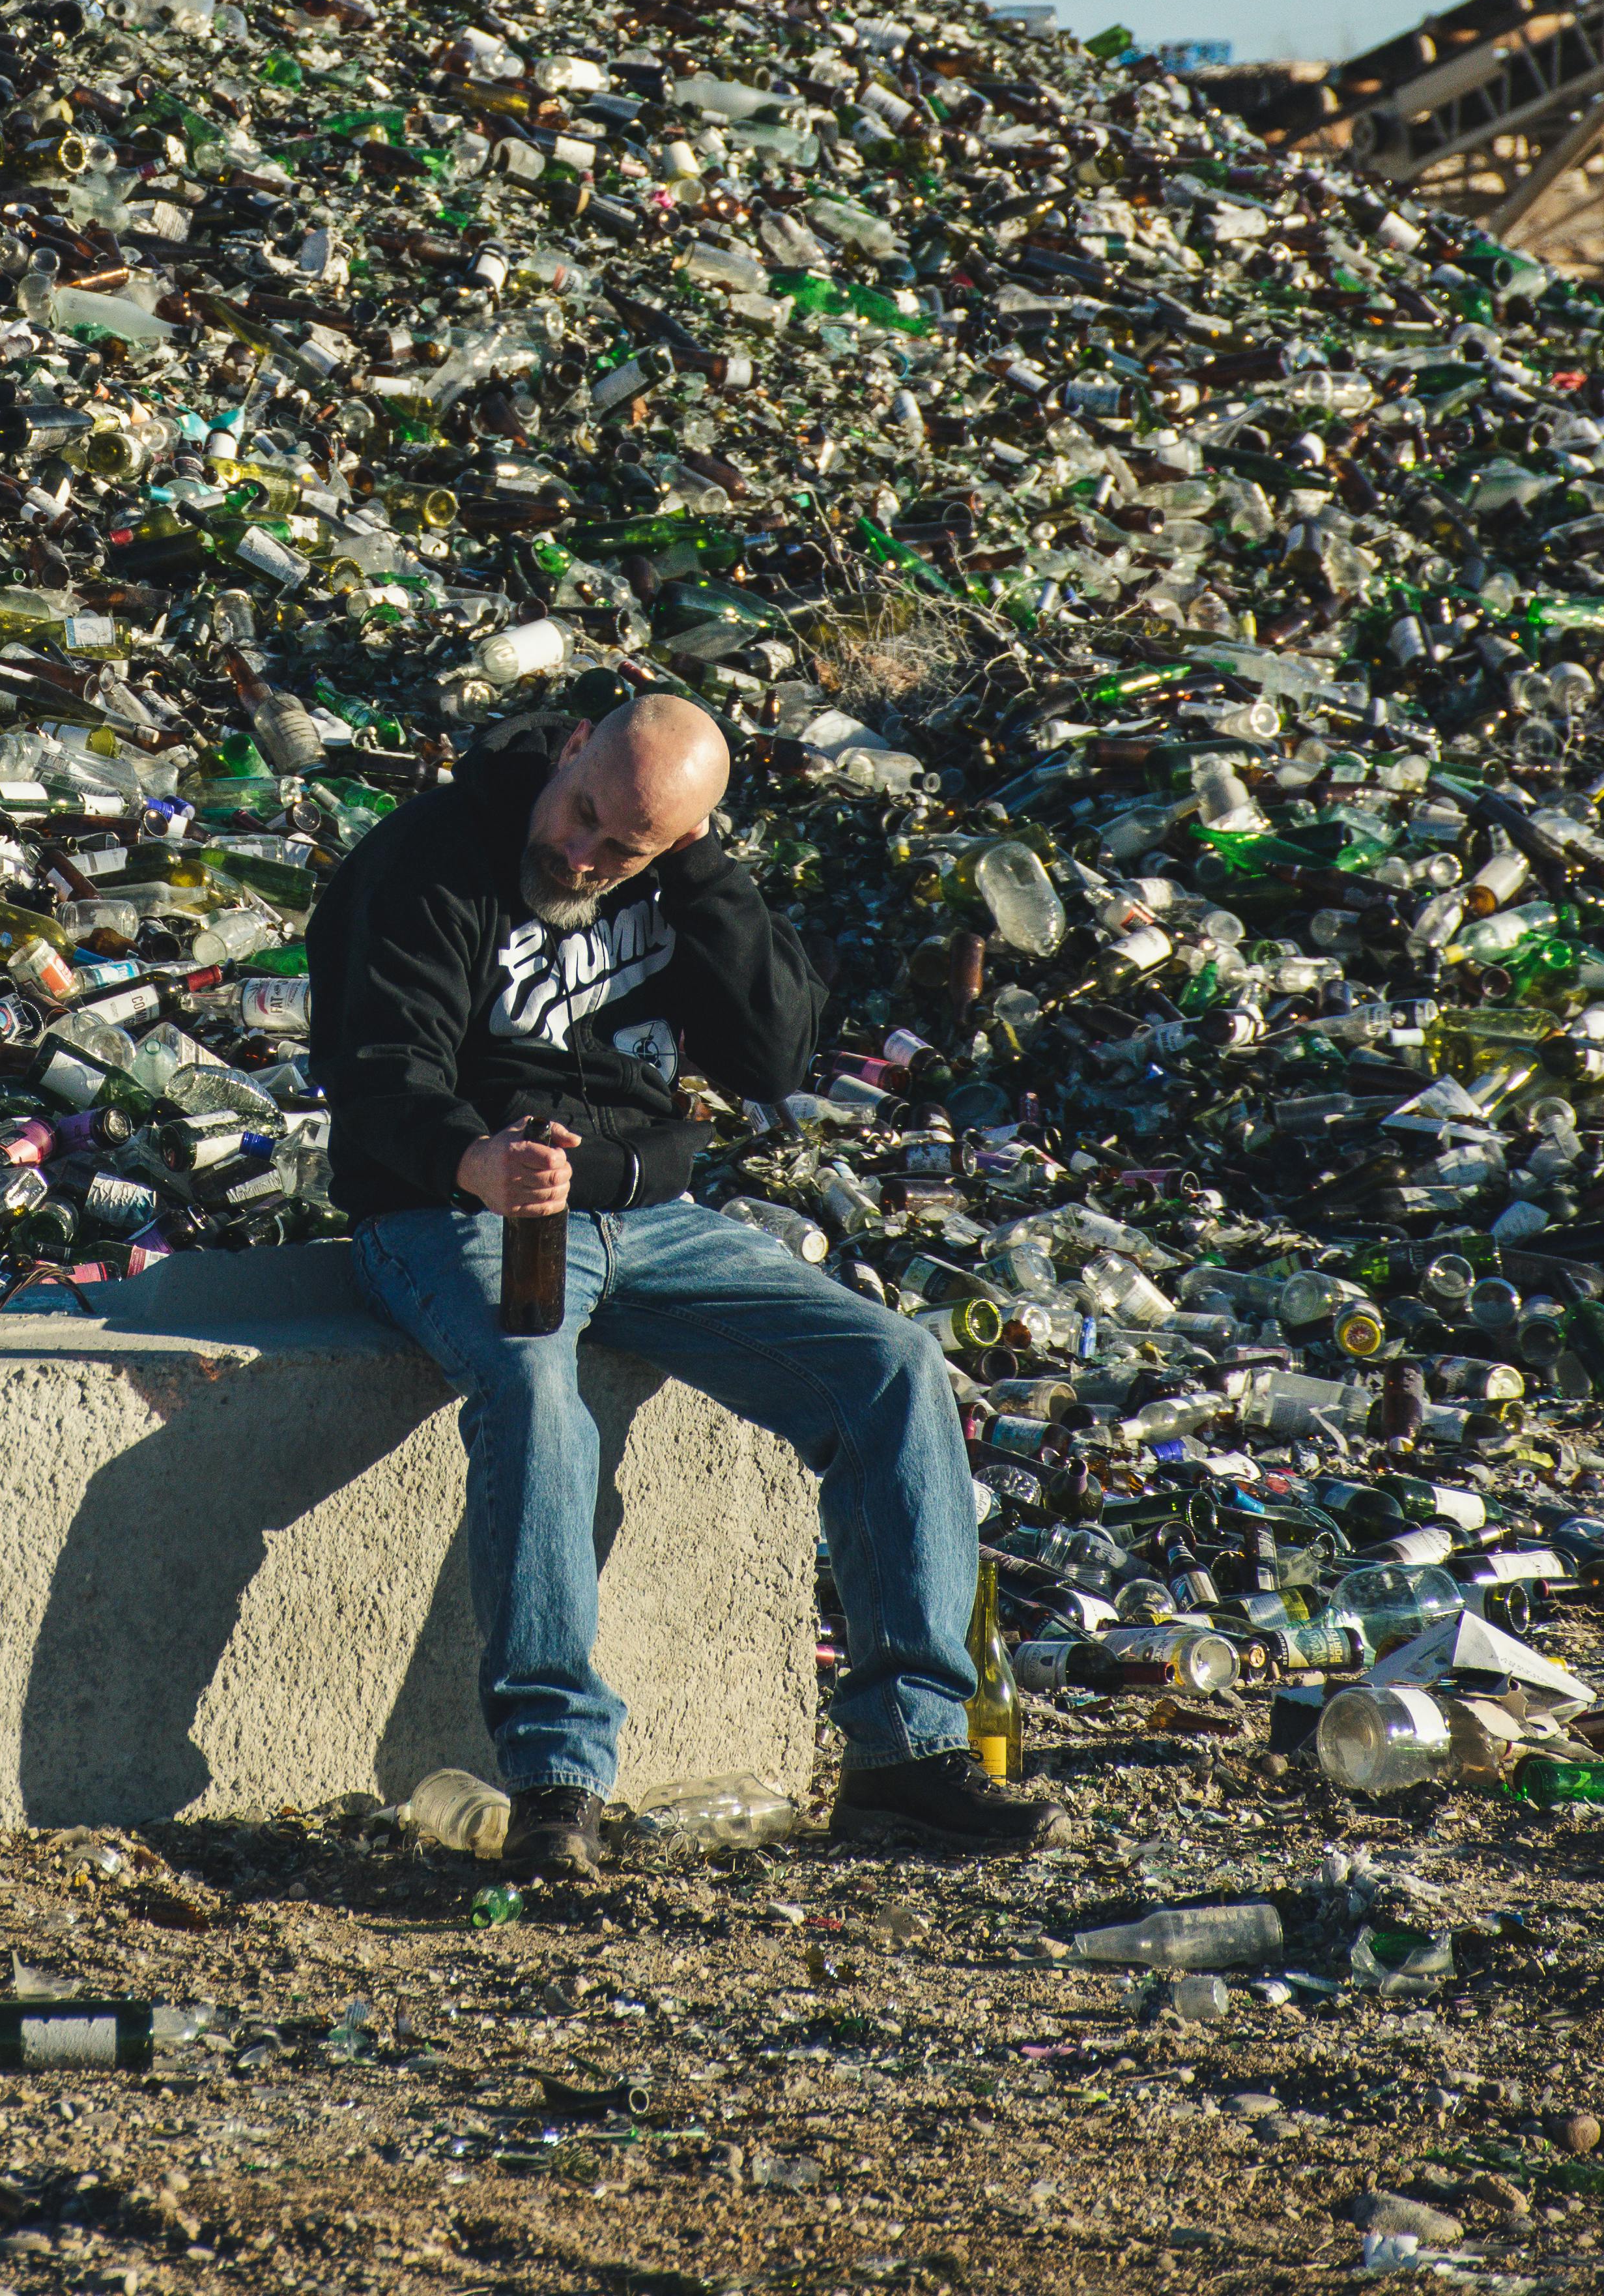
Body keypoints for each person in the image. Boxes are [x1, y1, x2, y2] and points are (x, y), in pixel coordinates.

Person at [309, 687, 1052, 1873]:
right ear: (569, 753)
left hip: (647, 1216)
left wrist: (703, 886)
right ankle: (556, 1777)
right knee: (535, 1390)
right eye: (584, 814)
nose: (584, 851)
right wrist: (476, 1160)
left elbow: (775, 1057)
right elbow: (376, 1067)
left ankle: (908, 1755)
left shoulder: (676, 876)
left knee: (893, 1367)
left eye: (627, 846)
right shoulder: (431, 857)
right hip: (456, 1203)